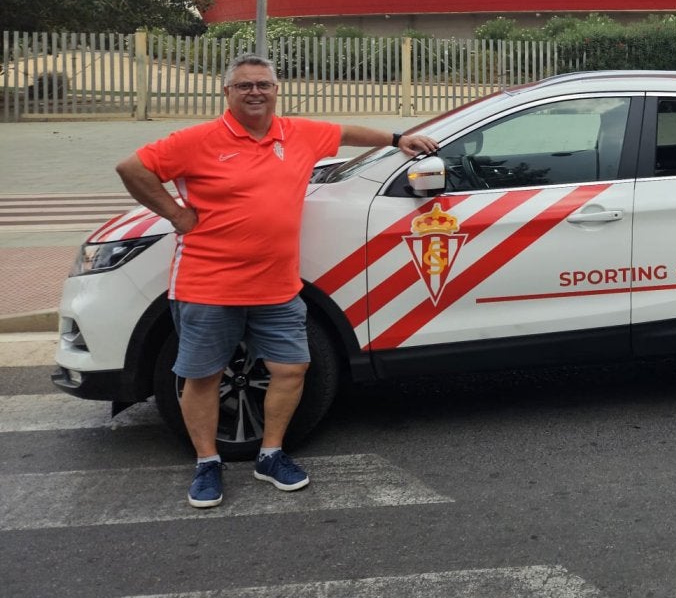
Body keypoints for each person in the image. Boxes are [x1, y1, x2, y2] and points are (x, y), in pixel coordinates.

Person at [115, 53, 440, 508]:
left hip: (278, 286)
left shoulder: (298, 132)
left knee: (291, 370)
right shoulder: (197, 140)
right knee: (203, 377)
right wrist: (174, 214)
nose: (254, 92)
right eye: (244, 85)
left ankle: (271, 454)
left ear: (275, 89)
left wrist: (398, 138)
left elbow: (346, 133)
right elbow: (132, 168)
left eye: (263, 84)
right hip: (208, 284)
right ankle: (207, 463)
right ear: (226, 92)